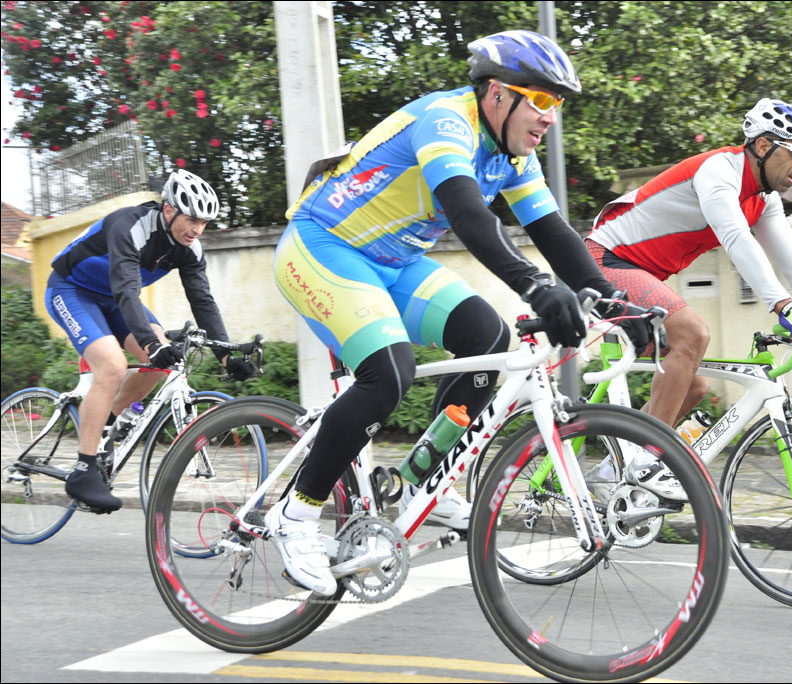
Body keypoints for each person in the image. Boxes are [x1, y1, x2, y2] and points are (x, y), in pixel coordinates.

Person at [269, 29, 653, 595]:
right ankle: (296, 514)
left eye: (556, 104)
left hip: (395, 261)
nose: (550, 116)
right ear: (497, 93)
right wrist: (536, 287)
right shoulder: (447, 121)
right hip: (323, 247)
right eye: (540, 99)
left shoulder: (512, 155)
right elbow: (470, 216)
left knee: (488, 338)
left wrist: (611, 297)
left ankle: (425, 478)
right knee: (389, 372)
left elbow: (551, 230)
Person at [585, 98, 792, 500]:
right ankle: (646, 462)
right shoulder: (718, 171)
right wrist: (783, 305)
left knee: (693, 387)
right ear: (763, 146)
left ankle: (609, 471)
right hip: (603, 260)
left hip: (641, 274)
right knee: (693, 334)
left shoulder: (764, 199)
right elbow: (736, 239)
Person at [45, 169, 259, 513]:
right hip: (72, 290)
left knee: (164, 365)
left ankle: (105, 426)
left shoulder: (190, 249)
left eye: (204, 223)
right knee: (112, 366)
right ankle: (83, 471)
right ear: (169, 210)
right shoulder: (130, 225)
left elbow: (203, 302)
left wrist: (226, 356)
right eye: (192, 219)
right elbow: (126, 289)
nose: (197, 229)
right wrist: (151, 343)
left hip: (115, 300)